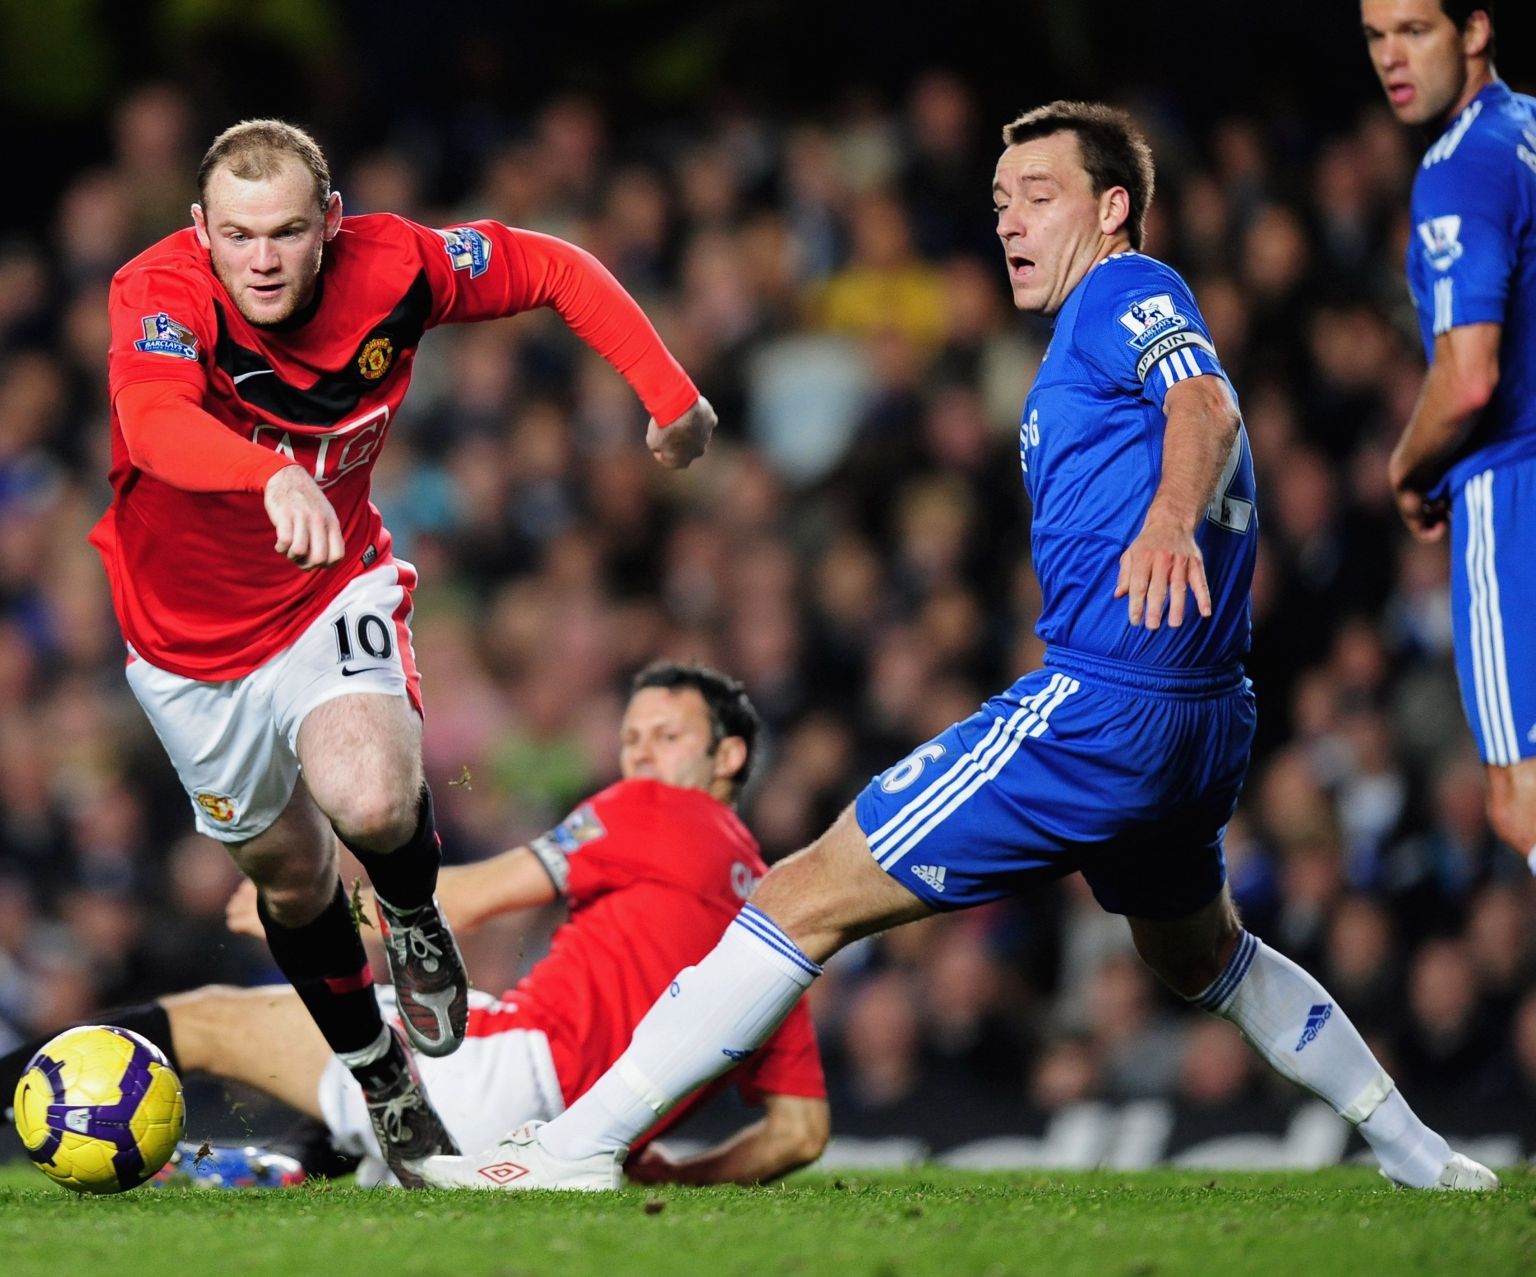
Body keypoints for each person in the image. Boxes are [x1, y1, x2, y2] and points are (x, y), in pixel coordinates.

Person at [418, 102, 1499, 1192]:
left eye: (1040, 196)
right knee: (1200, 954)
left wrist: (1171, 518)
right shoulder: (1083, 335)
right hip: (1202, 713)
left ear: (1113, 208)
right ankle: (1421, 1155)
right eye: (998, 203)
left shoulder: (1130, 288)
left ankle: (572, 1148)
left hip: (1105, 701)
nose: (1011, 222)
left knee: (797, 896)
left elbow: (1208, 408)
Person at [79, 118, 717, 1181]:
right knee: (290, 880)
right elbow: (150, 422)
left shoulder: (397, 265)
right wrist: (267, 472)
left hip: (329, 590)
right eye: (238, 236)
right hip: (185, 651)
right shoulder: (155, 290)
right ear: (202, 230)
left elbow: (552, 264)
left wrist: (669, 393)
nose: (265, 258)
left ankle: (415, 914)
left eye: (287, 231)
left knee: (370, 797)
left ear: (330, 223)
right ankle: (380, 1075)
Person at [0, 663, 827, 1189]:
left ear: (729, 755)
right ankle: (305, 1165)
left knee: (204, 1016)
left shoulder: (657, 809)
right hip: (548, 1133)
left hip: (504, 1071)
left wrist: (313, 912)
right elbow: (796, 1132)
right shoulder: (781, 915)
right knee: (371, 1047)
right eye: (631, 734)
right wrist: (643, 1165)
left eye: (667, 734)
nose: (639, 752)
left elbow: (461, 898)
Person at [1363, 0, 1536, 877]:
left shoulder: (1459, 167)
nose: (1391, 56)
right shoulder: (1529, 132)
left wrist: (1405, 465)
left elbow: (1469, 377)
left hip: (1511, 495)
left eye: (1415, 30)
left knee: (1521, 797)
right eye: (1375, 36)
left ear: (1475, 29)